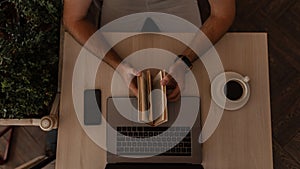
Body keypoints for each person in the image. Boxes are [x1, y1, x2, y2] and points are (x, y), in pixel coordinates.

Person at [63, 0, 236, 101]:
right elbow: (74, 19)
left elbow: (222, 15)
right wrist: (118, 65)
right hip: (121, 13)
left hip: (178, 9)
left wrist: (185, 61)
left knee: (195, 95)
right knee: (116, 97)